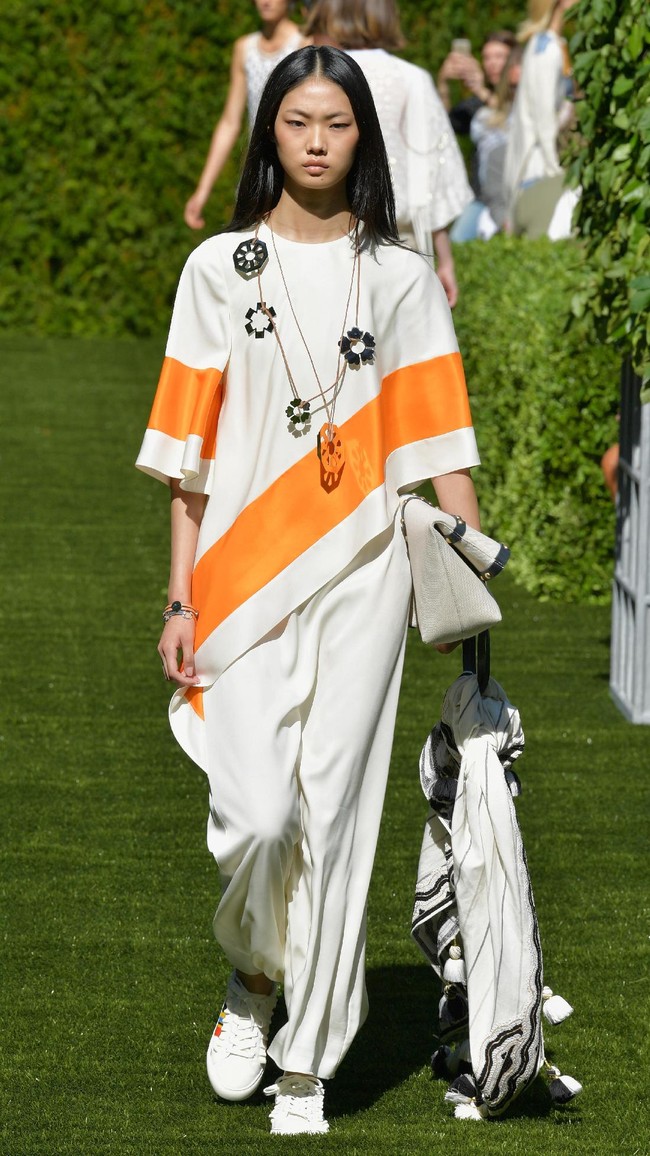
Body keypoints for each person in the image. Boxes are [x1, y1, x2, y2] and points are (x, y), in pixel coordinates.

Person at [137, 45, 481, 1136]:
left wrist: (469, 581)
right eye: (297, 121)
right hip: (239, 577)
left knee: (333, 815)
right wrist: (178, 599)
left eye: (336, 121)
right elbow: (187, 460)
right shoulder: (215, 269)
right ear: (269, 133)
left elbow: (438, 441)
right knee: (255, 815)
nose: (317, 139)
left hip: (366, 570)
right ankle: (253, 975)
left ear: (360, 137)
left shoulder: (396, 278)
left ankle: (307, 1059)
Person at [303, 0, 473, 307]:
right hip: (402, 244)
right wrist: (444, 259)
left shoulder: (320, 77)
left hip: (328, 236)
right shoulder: (412, 79)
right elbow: (436, 168)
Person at [184, 0, 305, 230]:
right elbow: (230, 122)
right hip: (255, 174)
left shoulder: (305, 42)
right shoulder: (244, 48)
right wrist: (202, 191)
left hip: (294, 175)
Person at [504, 0, 578, 238]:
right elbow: (544, 117)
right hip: (539, 163)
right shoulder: (546, 49)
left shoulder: (554, 44)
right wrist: (553, 167)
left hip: (546, 158)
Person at [451, 44, 524, 241]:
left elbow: (514, 119)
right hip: (484, 197)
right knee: (457, 240)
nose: (493, 63)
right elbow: (445, 126)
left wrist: (481, 90)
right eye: (487, 57)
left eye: (500, 57)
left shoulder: (525, 101)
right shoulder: (478, 107)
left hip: (517, 192)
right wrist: (442, 84)